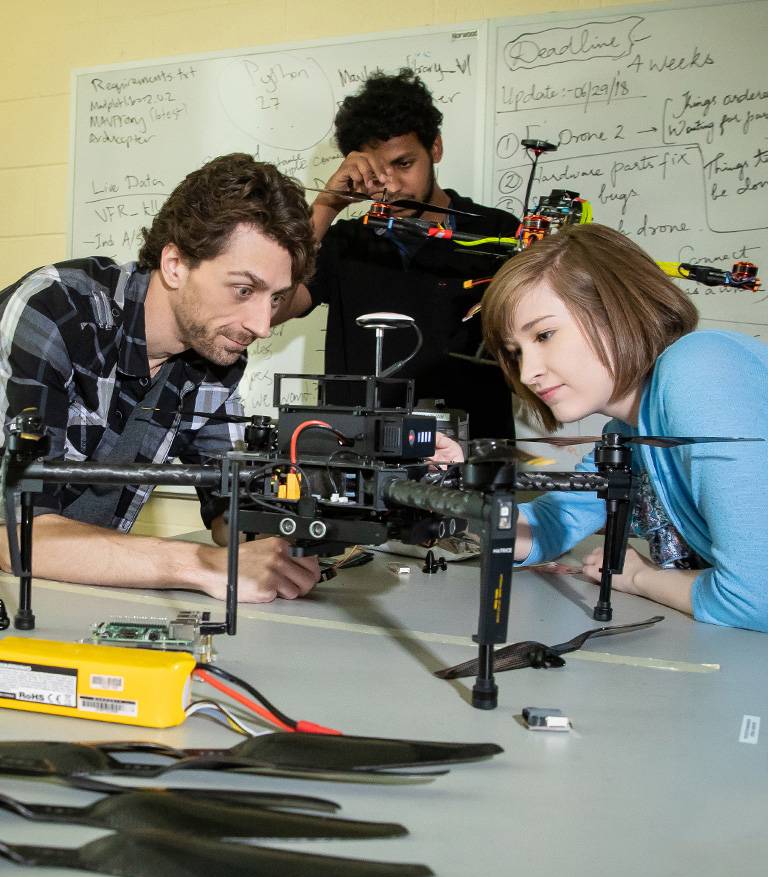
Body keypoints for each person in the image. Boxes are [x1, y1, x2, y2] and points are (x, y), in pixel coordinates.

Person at [0, 153, 321, 603]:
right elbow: (14, 535)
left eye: (275, 299)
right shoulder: (55, 312)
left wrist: (291, 535)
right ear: (175, 264)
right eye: (244, 290)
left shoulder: (215, 356)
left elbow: (228, 510)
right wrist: (203, 565)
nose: (262, 325)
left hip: (70, 595)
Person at [441, 223, 768, 631]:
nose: (527, 374)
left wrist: (641, 578)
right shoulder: (627, 434)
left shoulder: (701, 367)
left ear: (616, 308)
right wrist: (443, 492)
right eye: (515, 353)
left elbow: (758, 596)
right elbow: (548, 528)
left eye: (544, 334)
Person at [276, 69, 520, 438]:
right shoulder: (344, 242)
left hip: (472, 463)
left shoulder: (497, 234)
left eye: (404, 164)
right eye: (376, 171)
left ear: (435, 147)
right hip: (359, 464)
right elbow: (274, 305)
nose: (390, 185)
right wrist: (326, 205)